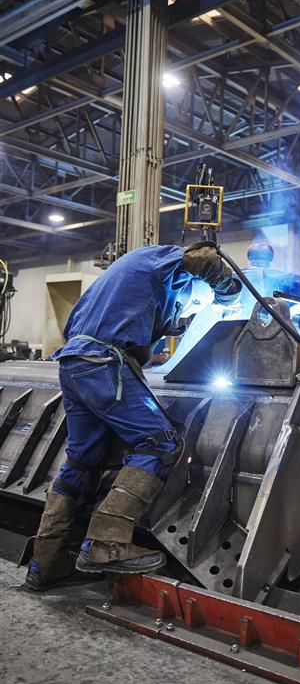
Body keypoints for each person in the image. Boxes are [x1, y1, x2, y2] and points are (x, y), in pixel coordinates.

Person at [24, 242, 241, 591]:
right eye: (194, 302)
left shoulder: (127, 283)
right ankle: (106, 543)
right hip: (102, 365)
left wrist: (172, 326)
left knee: (82, 460)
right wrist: (228, 293)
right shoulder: (160, 258)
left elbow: (135, 343)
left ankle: (44, 564)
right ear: (189, 283)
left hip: (74, 365)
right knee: (162, 443)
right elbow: (203, 257)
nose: (189, 309)